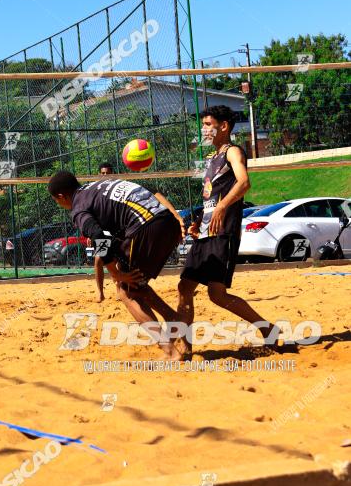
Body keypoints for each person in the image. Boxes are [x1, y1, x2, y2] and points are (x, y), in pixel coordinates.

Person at [177, 106, 282, 356]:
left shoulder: (233, 152)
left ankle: (268, 329)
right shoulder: (211, 158)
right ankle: (184, 347)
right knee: (184, 287)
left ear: (223, 126)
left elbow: (244, 182)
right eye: (202, 124)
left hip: (224, 233)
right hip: (206, 232)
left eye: (208, 124)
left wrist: (223, 206)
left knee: (217, 294)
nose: (204, 129)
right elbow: (210, 198)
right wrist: (198, 222)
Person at [48, 170, 186, 354]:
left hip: (145, 227)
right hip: (167, 222)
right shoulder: (98, 186)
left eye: (56, 201)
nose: (59, 204)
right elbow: (150, 193)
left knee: (124, 291)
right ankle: (171, 317)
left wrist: (115, 273)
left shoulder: (78, 207)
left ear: (61, 196)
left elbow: (97, 235)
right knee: (134, 282)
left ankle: (169, 351)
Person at [94, 162, 115, 302]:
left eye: (107, 173)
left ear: (112, 174)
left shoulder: (118, 188)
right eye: (103, 174)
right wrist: (92, 233)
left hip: (120, 230)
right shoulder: (95, 191)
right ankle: (100, 292)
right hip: (103, 232)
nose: (105, 176)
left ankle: (120, 288)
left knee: (119, 261)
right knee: (98, 260)